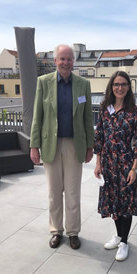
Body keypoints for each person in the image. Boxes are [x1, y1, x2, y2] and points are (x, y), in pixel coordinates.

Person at [30, 44, 94, 250]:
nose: (66, 62)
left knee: (73, 192)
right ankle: (56, 230)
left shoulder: (83, 84)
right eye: (62, 58)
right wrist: (34, 145)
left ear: (73, 62)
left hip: (75, 144)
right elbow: (37, 116)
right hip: (51, 144)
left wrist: (90, 145)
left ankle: (73, 232)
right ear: (55, 61)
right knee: (54, 192)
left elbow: (87, 118)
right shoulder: (44, 83)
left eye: (69, 59)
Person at [94, 71, 137, 261]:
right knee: (113, 202)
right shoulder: (105, 109)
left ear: (129, 87)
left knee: (126, 203)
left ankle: (124, 241)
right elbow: (99, 137)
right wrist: (98, 163)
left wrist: (134, 168)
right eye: (116, 84)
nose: (120, 88)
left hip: (125, 164)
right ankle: (118, 235)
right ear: (111, 86)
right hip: (108, 164)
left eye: (124, 84)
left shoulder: (135, 111)